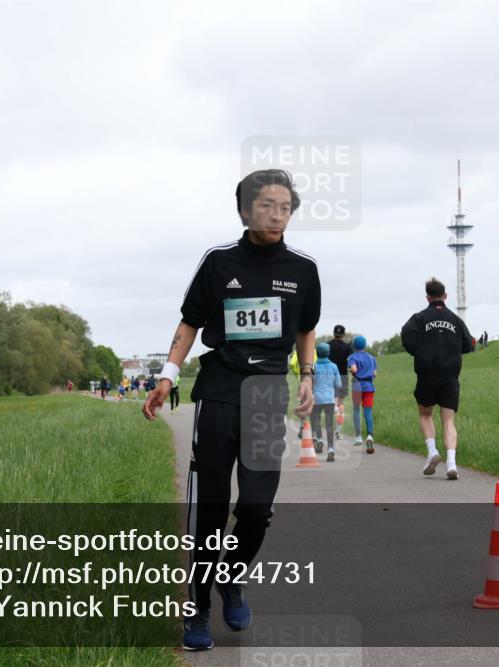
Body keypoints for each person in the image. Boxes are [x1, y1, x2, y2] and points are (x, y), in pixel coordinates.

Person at [142, 169, 320, 652]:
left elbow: (306, 329)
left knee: (258, 509)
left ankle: (231, 577)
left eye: (286, 206)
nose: (278, 213)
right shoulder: (219, 262)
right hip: (219, 393)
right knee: (210, 511)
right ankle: (197, 610)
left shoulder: (303, 269)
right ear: (245, 210)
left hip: (266, 395)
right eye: (268, 205)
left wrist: (306, 374)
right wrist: (166, 376)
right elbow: (190, 323)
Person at [400, 277, 474, 480]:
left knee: (425, 414)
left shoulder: (419, 318)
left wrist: (419, 351)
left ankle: (432, 452)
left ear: (427, 297)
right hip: (450, 375)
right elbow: (468, 345)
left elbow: (406, 337)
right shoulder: (456, 320)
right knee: (449, 421)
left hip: (426, 373)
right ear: (445, 296)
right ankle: (452, 463)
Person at [310, 341, 342, 462]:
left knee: (316, 420)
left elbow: (311, 382)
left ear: (317, 353)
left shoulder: (314, 366)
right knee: (329, 424)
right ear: (329, 353)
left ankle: (319, 439)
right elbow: (338, 384)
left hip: (316, 398)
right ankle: (330, 450)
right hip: (329, 399)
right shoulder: (334, 366)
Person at [348, 335, 378, 454]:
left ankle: (358, 436)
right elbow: (375, 374)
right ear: (365, 345)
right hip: (369, 386)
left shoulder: (352, 357)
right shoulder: (372, 358)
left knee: (356, 409)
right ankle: (370, 435)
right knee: (368, 411)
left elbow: (354, 370)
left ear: (354, 345)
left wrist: (350, 369)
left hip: (357, 386)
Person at [327, 325, 351, 439]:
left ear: (333, 333)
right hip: (342, 377)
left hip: (329, 377)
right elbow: (351, 361)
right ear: (343, 334)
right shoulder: (347, 347)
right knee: (340, 405)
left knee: (331, 403)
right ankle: (338, 431)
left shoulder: (327, 345)